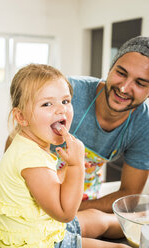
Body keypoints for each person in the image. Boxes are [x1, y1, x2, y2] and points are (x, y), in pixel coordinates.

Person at [0, 64, 130, 248]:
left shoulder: (29, 144)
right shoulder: (32, 159)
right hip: (39, 242)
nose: (61, 110)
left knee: (98, 219)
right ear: (21, 117)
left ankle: (140, 223)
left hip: (41, 226)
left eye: (66, 101)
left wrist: (63, 173)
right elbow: (65, 213)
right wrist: (76, 166)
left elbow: (45, 186)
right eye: (47, 104)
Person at [67, 36, 149, 212]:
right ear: (110, 69)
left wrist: (68, 211)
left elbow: (129, 195)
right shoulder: (68, 91)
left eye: (140, 83)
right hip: (34, 190)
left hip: (82, 199)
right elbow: (16, 142)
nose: (124, 88)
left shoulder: (144, 125)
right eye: (121, 73)